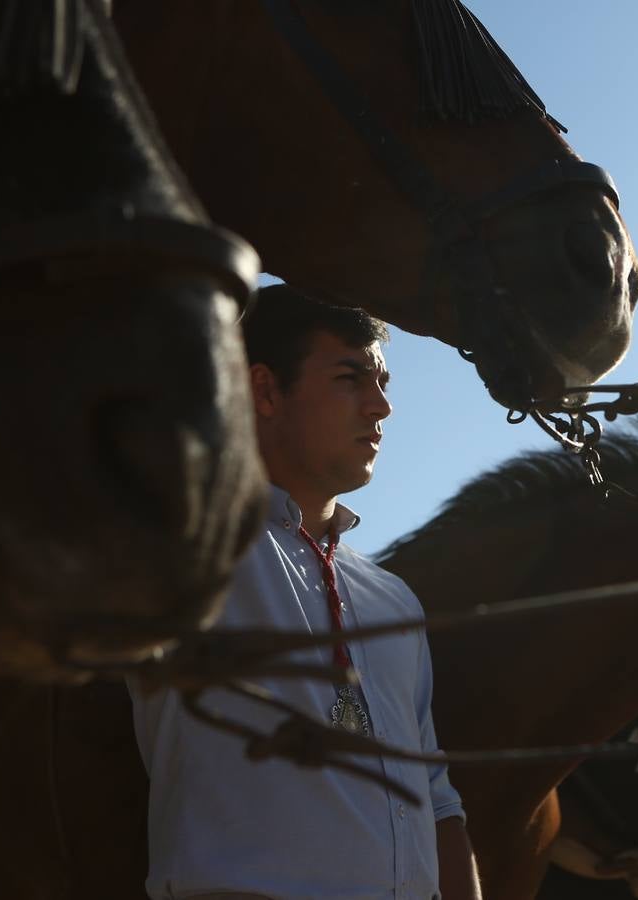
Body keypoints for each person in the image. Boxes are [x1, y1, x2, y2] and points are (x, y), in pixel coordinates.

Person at [128, 283, 481, 900]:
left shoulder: (394, 599)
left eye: (384, 384)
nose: (382, 408)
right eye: (351, 378)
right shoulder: (179, 543)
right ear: (263, 390)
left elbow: (438, 800)